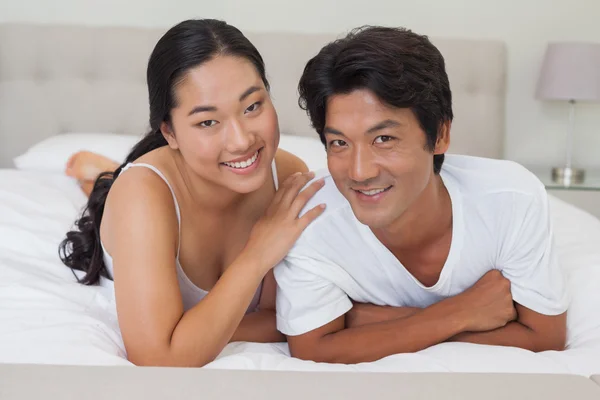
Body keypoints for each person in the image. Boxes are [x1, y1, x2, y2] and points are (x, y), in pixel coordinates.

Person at [274, 25, 569, 364]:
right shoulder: (312, 218)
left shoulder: (511, 199)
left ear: (440, 135)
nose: (359, 172)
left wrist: (365, 319)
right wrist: (457, 314)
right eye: (339, 143)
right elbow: (311, 348)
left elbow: (545, 338)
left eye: (383, 139)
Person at [59, 19, 326, 368]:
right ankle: (98, 176)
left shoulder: (288, 176)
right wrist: (257, 253)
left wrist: (189, 333)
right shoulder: (143, 196)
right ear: (169, 132)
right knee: (112, 187)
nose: (242, 140)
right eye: (207, 122)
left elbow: (281, 318)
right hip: (145, 193)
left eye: (252, 107)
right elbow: (157, 356)